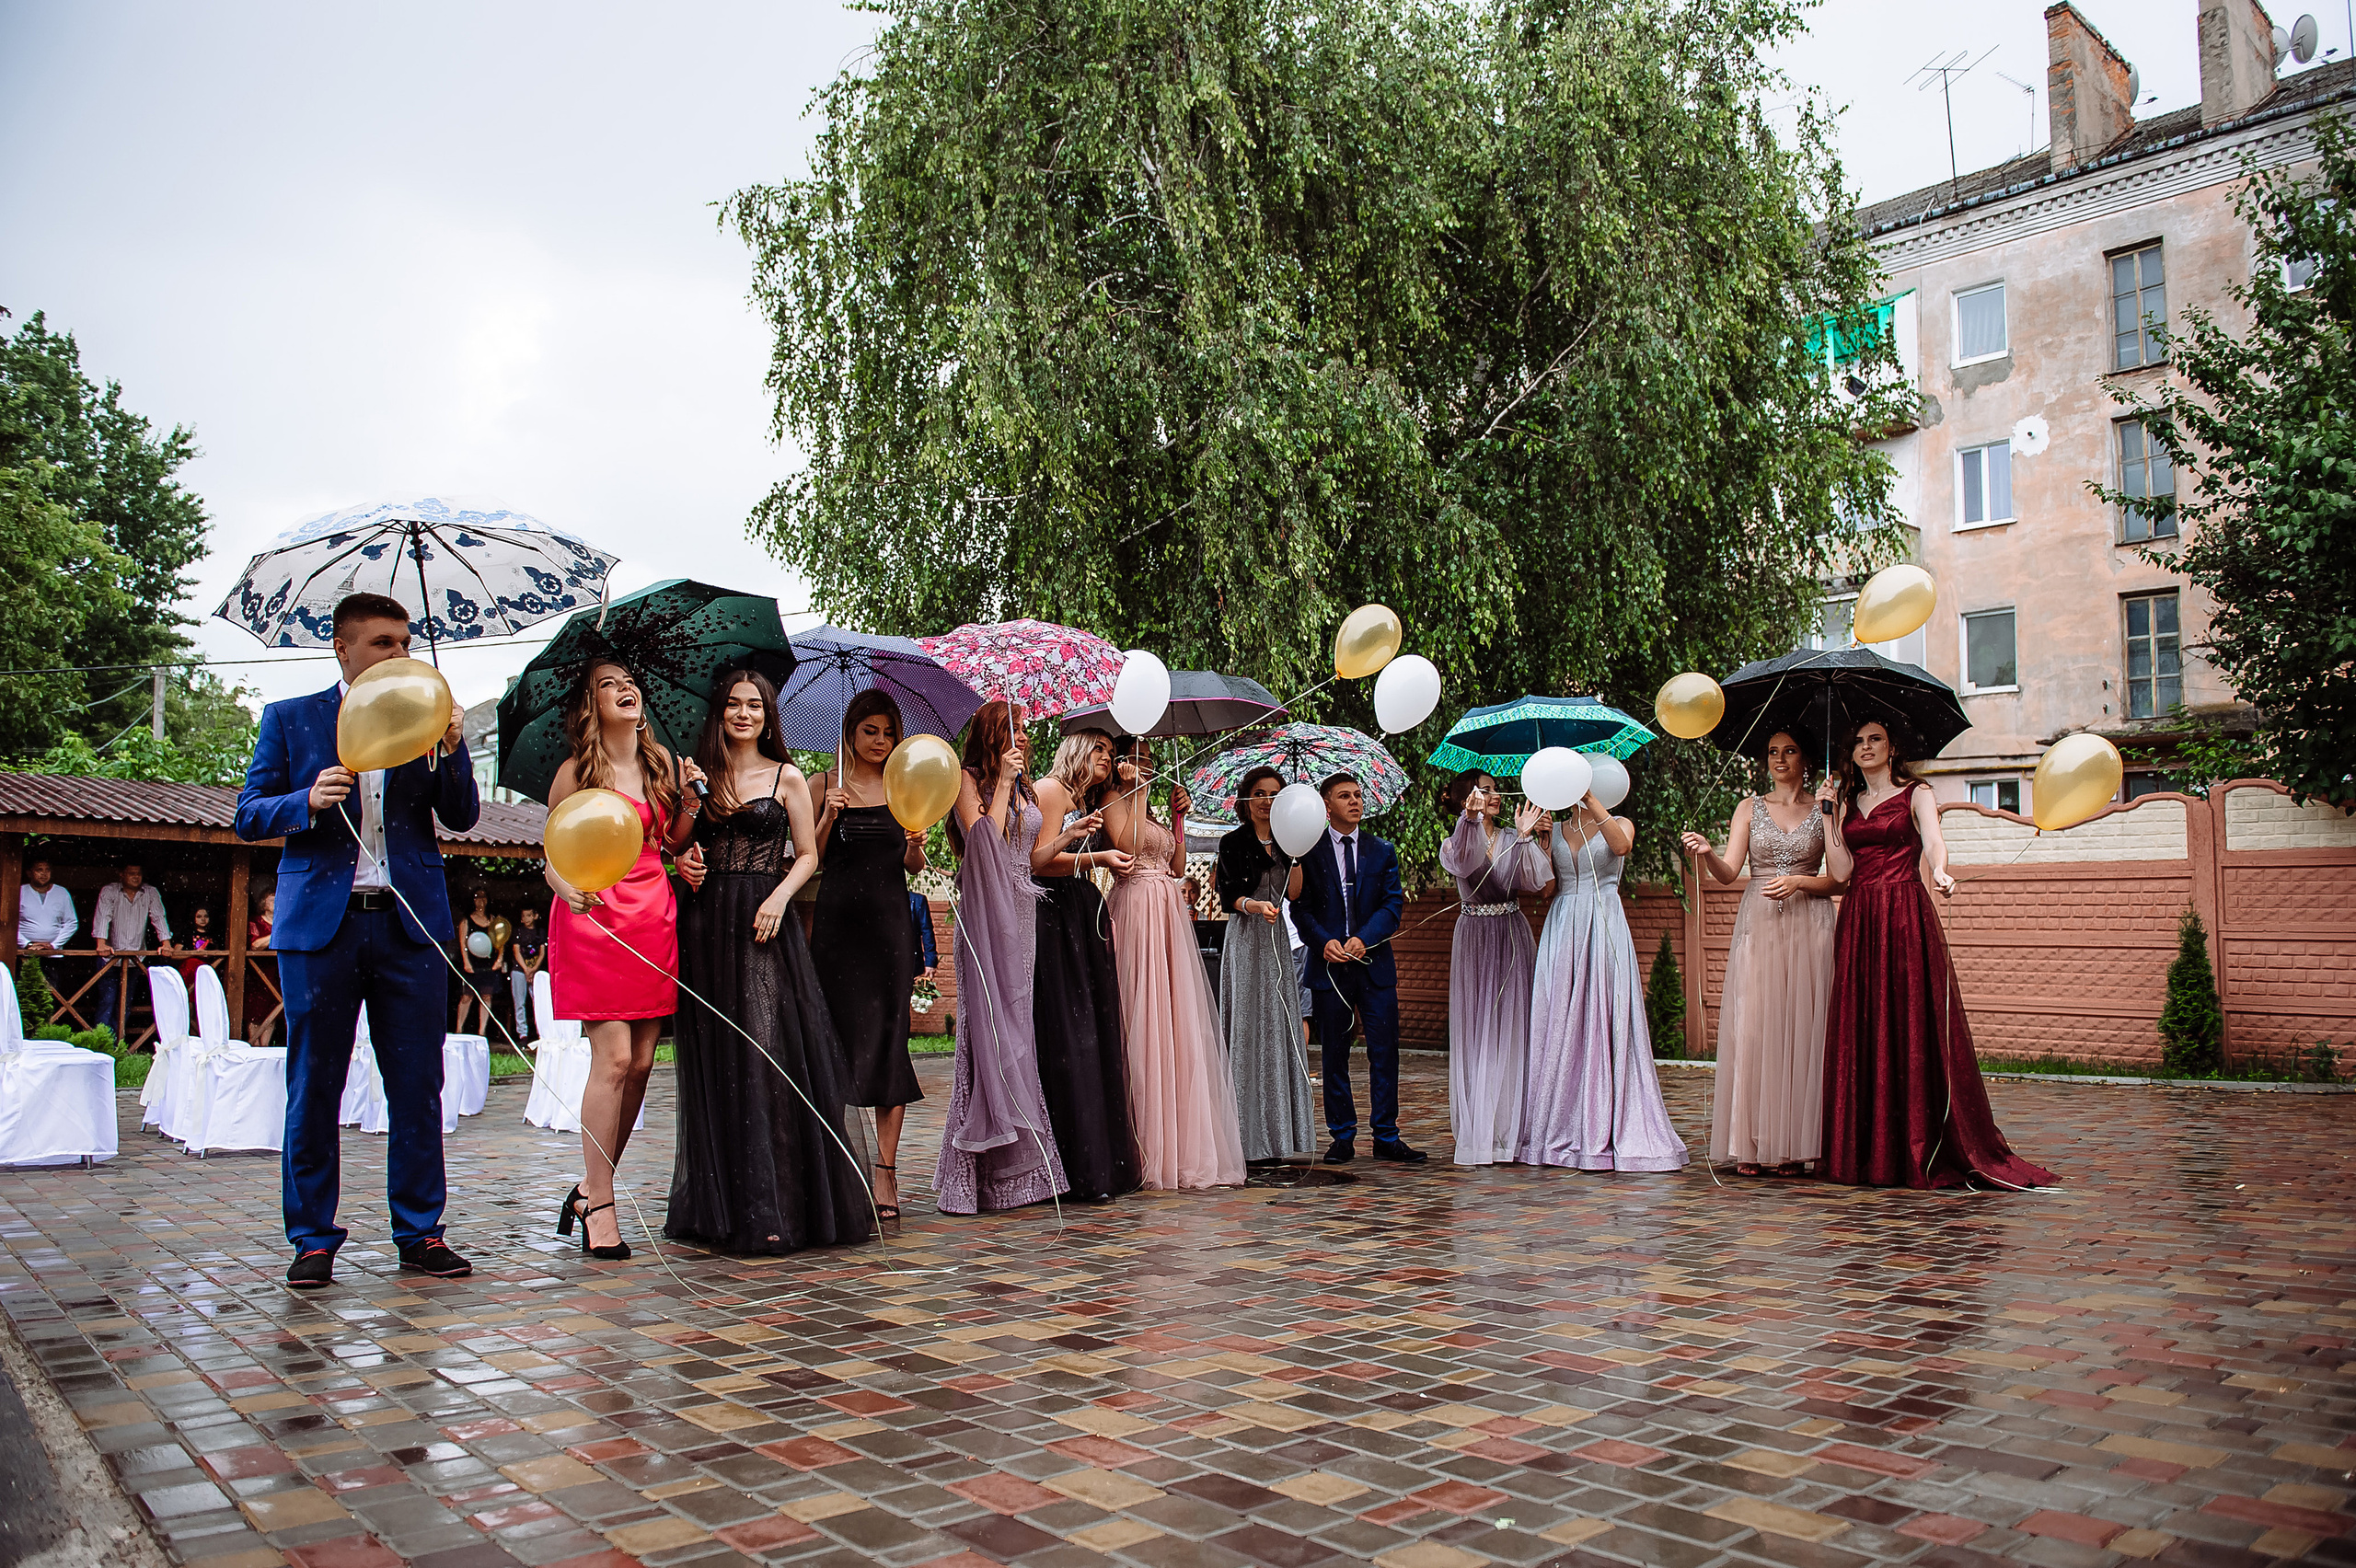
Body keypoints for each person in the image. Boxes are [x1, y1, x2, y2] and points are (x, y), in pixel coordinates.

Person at [234, 591, 479, 1289]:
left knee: (417, 1085)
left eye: (405, 641)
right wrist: (303, 801)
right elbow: (249, 813)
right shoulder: (290, 718)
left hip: (410, 924)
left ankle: (421, 1232)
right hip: (321, 927)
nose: (400, 654)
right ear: (342, 647)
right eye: (383, 642)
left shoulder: (427, 719)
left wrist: (454, 752)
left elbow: (460, 816)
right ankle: (312, 1237)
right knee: (314, 1084)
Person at [668, 669, 873, 1252]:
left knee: (766, 1052)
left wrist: (779, 898)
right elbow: (675, 846)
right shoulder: (700, 776)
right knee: (719, 1058)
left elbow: (808, 856)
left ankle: (778, 1203)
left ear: (767, 714)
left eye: (754, 705)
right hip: (708, 924)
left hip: (765, 918)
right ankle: (724, 1208)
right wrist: (687, 826)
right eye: (733, 704)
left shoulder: (786, 776)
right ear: (720, 712)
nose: (743, 714)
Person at [1816, 717, 2053, 1189]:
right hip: (1860, 916)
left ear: (1892, 746)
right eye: (1858, 741)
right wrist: (1827, 818)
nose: (1865, 747)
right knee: (1865, 1024)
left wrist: (1941, 871)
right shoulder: (1845, 802)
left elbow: (1934, 841)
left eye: (1875, 739)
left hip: (1904, 910)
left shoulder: (1916, 792)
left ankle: (1921, 1143)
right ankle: (1870, 1151)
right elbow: (1841, 871)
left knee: (1911, 1021)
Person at [545, 659, 708, 1260]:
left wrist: (691, 800)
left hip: (652, 918)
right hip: (594, 920)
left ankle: (591, 1186)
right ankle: (604, 1208)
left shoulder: (660, 764)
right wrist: (567, 890)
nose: (626, 690)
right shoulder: (576, 773)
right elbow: (551, 856)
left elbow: (672, 842)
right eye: (610, 685)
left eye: (630, 682)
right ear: (593, 704)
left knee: (640, 1064)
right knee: (612, 1060)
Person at [1682, 731, 1840, 1177]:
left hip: (1810, 924)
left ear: (1806, 757)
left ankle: (1795, 1145)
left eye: (1790, 750)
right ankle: (1751, 1143)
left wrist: (1802, 879)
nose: (1780, 758)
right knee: (1756, 1027)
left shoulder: (1824, 807)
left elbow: (1840, 880)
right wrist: (1709, 853)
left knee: (1803, 1029)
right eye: (1773, 751)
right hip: (1761, 922)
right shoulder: (1748, 808)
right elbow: (1730, 872)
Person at [935, 700, 1069, 1214]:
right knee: (990, 1024)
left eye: (1027, 730)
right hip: (984, 905)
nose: (1025, 738)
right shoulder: (967, 779)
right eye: (1013, 729)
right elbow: (981, 842)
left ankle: (1025, 1167)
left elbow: (1026, 855)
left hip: (1022, 906)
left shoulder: (1027, 786)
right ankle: (980, 1173)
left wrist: (1066, 841)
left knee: (1019, 1023)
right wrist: (1004, 785)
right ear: (992, 733)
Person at [1519, 784, 1688, 1171]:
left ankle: (1607, 1125)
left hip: (1603, 920)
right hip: (1563, 927)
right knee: (1560, 1021)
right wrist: (1538, 842)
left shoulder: (1621, 822)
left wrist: (1591, 800)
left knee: (1603, 1015)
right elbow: (1545, 890)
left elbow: (1622, 847)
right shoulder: (1557, 828)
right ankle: (1561, 1128)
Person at [1102, 736, 1246, 1190]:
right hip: (1137, 904)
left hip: (1165, 906)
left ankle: (1177, 1140)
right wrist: (1138, 791)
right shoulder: (1112, 797)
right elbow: (1125, 851)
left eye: (1150, 760)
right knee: (1140, 1011)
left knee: (1172, 1014)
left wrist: (1179, 820)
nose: (1146, 765)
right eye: (1138, 759)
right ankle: (1141, 1140)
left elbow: (1178, 865)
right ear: (1123, 762)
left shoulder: (1154, 809)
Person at [809, 689, 929, 1220]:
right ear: (850, 732)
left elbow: (913, 869)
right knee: (831, 1039)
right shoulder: (822, 784)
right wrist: (828, 817)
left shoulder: (905, 786)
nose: (880, 741)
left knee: (888, 1040)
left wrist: (915, 842)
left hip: (888, 930)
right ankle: (836, 1168)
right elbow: (807, 858)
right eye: (869, 731)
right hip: (836, 929)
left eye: (887, 732)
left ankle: (885, 1171)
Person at [1030, 729, 1141, 1202]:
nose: (1108, 759)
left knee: (1093, 1032)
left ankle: (1101, 1159)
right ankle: (1076, 1165)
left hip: (1080, 912)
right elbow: (1038, 862)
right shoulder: (1051, 790)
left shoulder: (1085, 798)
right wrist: (1096, 857)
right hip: (1054, 915)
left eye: (1111, 753)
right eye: (1100, 750)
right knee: (1070, 1033)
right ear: (1076, 750)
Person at [1291, 773, 1424, 1165]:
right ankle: (1342, 1136)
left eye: (1358, 795)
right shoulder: (1309, 853)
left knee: (1385, 1053)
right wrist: (1323, 941)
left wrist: (1363, 938)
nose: (1355, 801)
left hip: (1373, 967)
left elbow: (1392, 906)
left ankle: (1386, 1135)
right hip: (1330, 969)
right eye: (1344, 796)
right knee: (1335, 1054)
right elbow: (1300, 909)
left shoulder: (1381, 850)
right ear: (1327, 805)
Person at [1437, 770, 1549, 1167]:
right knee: (1477, 1028)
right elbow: (1465, 866)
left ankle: (1513, 1132)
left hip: (1512, 934)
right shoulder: (1454, 841)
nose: (1496, 795)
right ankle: (1480, 1130)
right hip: (1474, 937)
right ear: (1469, 797)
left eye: (1496, 789)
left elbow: (1536, 883)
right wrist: (1469, 821)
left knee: (1514, 1026)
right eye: (1486, 790)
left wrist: (1527, 837)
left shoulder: (1509, 834)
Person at [1215, 767, 1317, 1165]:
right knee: (1245, 1026)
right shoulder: (1233, 842)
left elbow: (1294, 893)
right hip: (1246, 934)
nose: (1267, 801)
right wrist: (1254, 905)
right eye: (1260, 793)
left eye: (1275, 794)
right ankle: (1243, 1134)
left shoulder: (1286, 843)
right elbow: (1228, 895)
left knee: (1278, 1026)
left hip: (1277, 936)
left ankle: (1277, 1135)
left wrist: (1295, 853)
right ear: (1247, 799)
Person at [91, 859, 170, 1037]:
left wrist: (166, 943)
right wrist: (101, 943)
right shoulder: (110, 891)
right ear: (122, 874)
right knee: (107, 1001)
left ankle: (118, 1041)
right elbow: (103, 916)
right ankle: (102, 1041)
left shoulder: (150, 892)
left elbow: (158, 916)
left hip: (135, 958)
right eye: (131, 873)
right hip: (110, 957)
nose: (135, 877)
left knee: (124, 1003)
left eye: (138, 873)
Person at [17, 858, 76, 1021]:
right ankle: (26, 1031)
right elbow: (9, 923)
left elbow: (71, 922)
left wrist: (52, 945)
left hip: (53, 955)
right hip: (24, 955)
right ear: (29, 873)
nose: (43, 874)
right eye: (39, 870)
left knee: (52, 995)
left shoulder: (61, 893)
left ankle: (49, 1028)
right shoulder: (20, 891)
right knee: (25, 994)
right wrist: (27, 944)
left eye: (47, 870)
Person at [454, 888, 502, 1034]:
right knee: (467, 996)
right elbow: (463, 943)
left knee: (486, 996)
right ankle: (459, 1029)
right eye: (477, 897)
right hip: (472, 963)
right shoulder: (466, 920)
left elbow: (500, 941)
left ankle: (482, 1031)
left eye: (483, 897)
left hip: (489, 963)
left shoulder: (493, 919)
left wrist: (499, 959)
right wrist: (466, 962)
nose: (481, 901)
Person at [507, 906, 545, 1043]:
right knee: (519, 1002)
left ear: (535, 916)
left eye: (529, 915)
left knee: (538, 1002)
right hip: (519, 970)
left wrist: (533, 969)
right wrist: (526, 969)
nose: (526, 919)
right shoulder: (517, 932)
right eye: (524, 916)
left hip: (534, 970)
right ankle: (522, 1033)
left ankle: (541, 1031)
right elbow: (516, 952)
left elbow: (542, 953)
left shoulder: (540, 933)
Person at [246, 890, 278, 1046]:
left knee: (272, 1010)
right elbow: (256, 945)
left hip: (276, 971)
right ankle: (254, 1044)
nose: (275, 902)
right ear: (263, 905)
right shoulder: (255, 922)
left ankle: (265, 1047)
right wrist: (277, 934)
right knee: (255, 1011)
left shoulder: (281, 921)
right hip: (259, 972)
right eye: (271, 900)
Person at [178, 905, 219, 988]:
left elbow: (221, 955)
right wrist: (195, 953)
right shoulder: (187, 933)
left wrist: (212, 966)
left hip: (208, 970)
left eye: (206, 916)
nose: (203, 919)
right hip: (190, 970)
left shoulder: (214, 935)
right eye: (199, 916)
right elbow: (175, 954)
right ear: (193, 918)